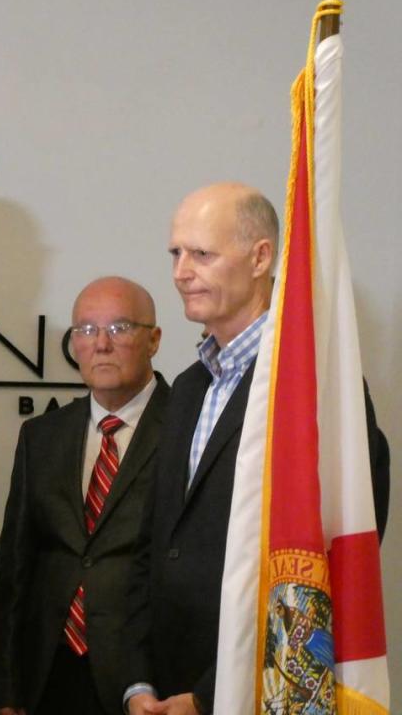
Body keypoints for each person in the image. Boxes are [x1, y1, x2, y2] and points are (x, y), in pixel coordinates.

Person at [124, 183, 390, 715]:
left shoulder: (314, 384)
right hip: (161, 692)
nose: (180, 272)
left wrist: (207, 695)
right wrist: (139, 683)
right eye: (175, 254)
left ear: (261, 257)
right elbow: (154, 548)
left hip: (257, 692)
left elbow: (328, 564)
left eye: (201, 254)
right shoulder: (187, 388)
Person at [0, 277, 169, 715]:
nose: (100, 344)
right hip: (49, 674)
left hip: (147, 680)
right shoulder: (42, 436)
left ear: (154, 339)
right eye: (85, 331)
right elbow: (15, 568)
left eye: (119, 328)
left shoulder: (189, 428)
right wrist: (4, 692)